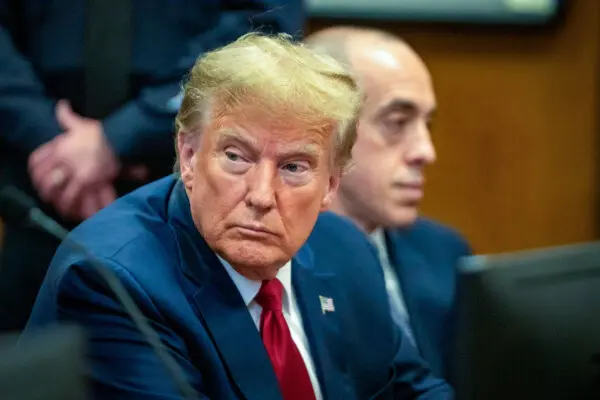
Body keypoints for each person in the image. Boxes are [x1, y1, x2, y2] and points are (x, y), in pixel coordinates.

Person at [22, 33, 452, 399]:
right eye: (236, 157)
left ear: (332, 184)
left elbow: (413, 389)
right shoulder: (113, 282)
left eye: (294, 167)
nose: (262, 195)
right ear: (188, 156)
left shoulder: (346, 249)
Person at [0, 0, 304, 331]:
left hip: (190, 185)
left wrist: (124, 134)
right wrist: (45, 136)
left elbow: (263, 25)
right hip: (37, 186)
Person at [305, 27, 472, 378]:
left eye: (427, 124)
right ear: (322, 131)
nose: (426, 152)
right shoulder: (269, 269)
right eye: (397, 123)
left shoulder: (446, 254)